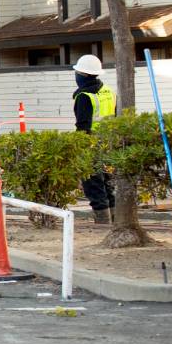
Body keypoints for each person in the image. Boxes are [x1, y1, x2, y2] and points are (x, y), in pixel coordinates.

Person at [72, 53, 117, 223]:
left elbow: (83, 126)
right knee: (106, 180)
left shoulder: (84, 96)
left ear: (82, 75)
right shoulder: (108, 91)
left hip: (91, 143)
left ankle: (102, 219)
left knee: (92, 181)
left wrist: (80, 147)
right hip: (108, 141)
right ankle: (114, 216)